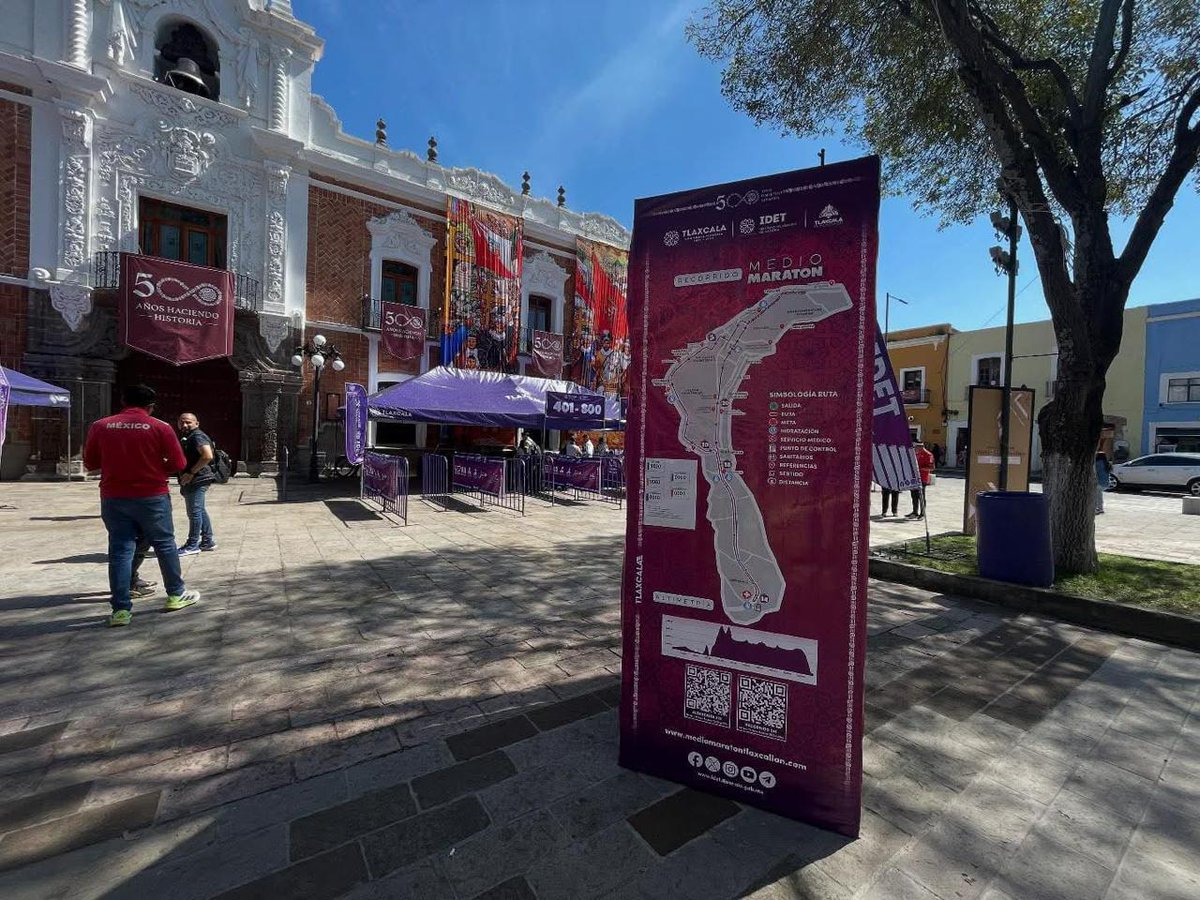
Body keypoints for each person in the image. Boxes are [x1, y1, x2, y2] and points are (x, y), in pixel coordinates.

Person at [82, 384, 200, 626]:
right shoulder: (160, 427)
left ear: (123, 401)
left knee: (121, 550)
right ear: (151, 406)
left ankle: (120, 611)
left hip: (114, 496)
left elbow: (90, 462)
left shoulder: (101, 426)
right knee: (164, 544)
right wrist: (154, 468)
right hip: (152, 495)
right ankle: (176, 595)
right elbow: (179, 462)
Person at [176, 412, 217, 555]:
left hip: (198, 478)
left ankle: (192, 544)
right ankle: (207, 540)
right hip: (194, 478)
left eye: (188, 422)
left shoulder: (197, 436)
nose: (185, 425)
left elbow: (207, 455)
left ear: (196, 423)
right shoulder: (188, 437)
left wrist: (191, 472)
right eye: (181, 422)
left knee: (193, 512)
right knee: (199, 510)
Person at [909, 442, 935, 518]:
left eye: (916, 447)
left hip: (922, 478)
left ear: (921, 446)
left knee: (921, 496)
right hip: (914, 478)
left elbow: (932, 467)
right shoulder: (916, 454)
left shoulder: (928, 455)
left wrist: (920, 469)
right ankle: (915, 512)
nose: (915, 449)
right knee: (914, 495)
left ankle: (922, 513)